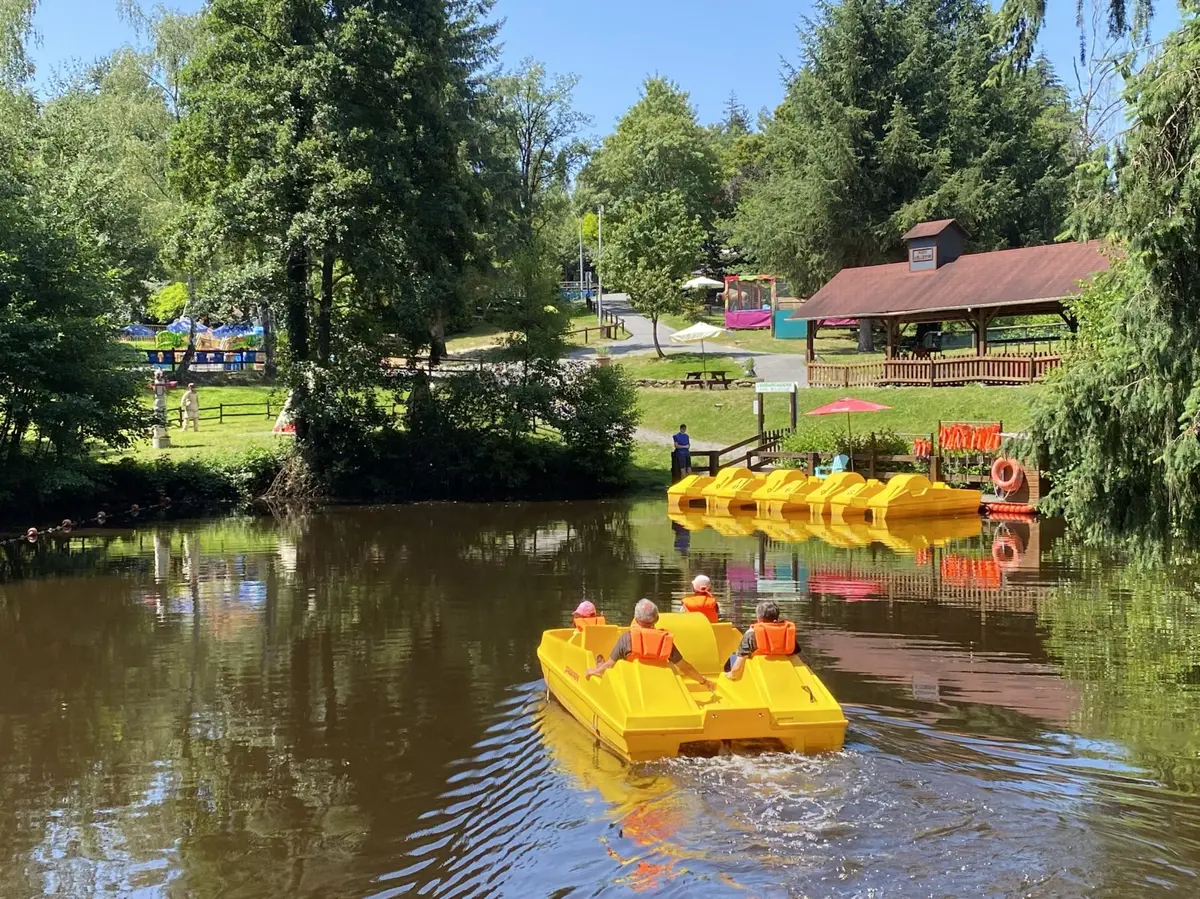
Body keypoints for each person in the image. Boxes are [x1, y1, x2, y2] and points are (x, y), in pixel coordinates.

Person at [585, 599, 715, 690]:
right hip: (659, 685)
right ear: (656, 619)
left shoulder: (626, 638)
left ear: (636, 619)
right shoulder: (665, 642)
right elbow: (686, 668)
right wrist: (703, 681)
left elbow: (609, 665)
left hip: (633, 685)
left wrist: (594, 671)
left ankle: (599, 664)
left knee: (607, 664)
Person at [724, 600, 802, 680]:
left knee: (733, 656)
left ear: (758, 617)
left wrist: (731, 675)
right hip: (782, 671)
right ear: (777, 617)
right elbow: (794, 655)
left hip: (757, 671)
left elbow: (738, 667)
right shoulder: (786, 632)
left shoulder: (751, 634)